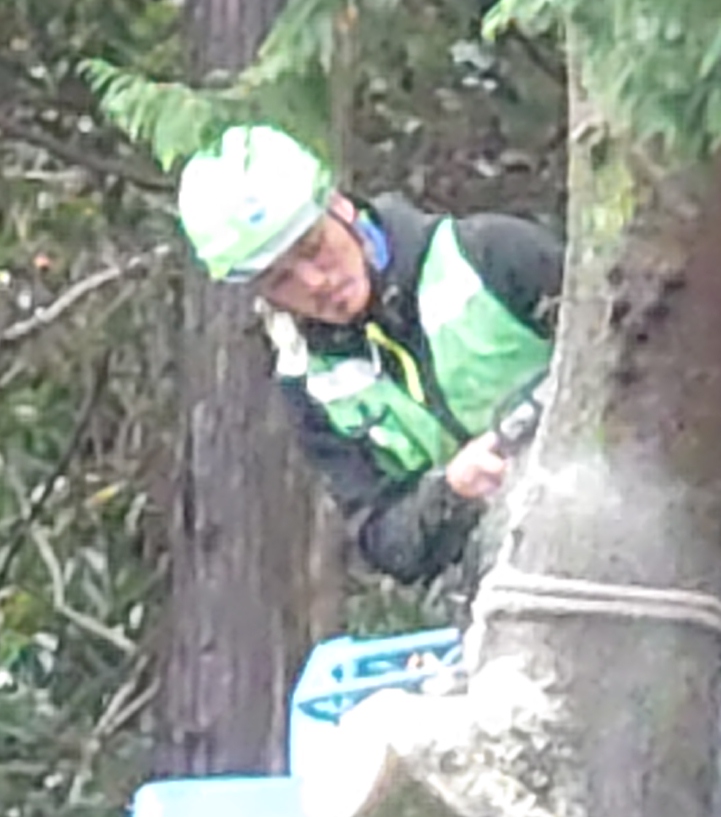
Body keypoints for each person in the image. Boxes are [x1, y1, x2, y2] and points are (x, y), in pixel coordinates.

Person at [175, 124, 562, 585]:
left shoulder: (490, 256)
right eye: (281, 280)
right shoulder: (310, 385)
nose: (314, 282)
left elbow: (639, 354)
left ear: (339, 206)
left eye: (313, 247)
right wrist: (452, 492)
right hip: (510, 582)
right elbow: (384, 540)